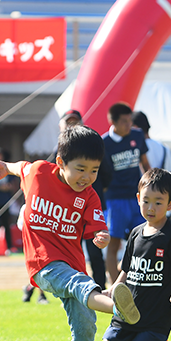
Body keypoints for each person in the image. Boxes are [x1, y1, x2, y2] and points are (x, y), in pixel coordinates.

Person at [0, 125, 141, 341]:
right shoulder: (39, 173)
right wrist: (3, 168)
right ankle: (116, 305)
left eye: (94, 171)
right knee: (80, 285)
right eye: (81, 169)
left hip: (73, 267)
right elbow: (20, 167)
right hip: (43, 266)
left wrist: (101, 238)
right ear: (60, 162)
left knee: (85, 325)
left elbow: (99, 229)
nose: (87, 177)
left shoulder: (90, 197)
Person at [96, 169, 171, 341]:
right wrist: (114, 289)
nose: (150, 207)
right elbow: (126, 269)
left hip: (156, 312)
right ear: (138, 199)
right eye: (146, 201)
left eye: (158, 202)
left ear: (170, 204)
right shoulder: (136, 234)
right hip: (128, 306)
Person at [45, 109, 110, 291]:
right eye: (69, 122)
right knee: (57, 253)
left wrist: (89, 192)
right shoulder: (60, 153)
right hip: (64, 212)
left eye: (76, 122)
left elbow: (107, 174)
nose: (72, 125)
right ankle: (61, 290)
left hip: (88, 209)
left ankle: (99, 288)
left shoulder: (94, 148)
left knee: (95, 253)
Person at [102, 103, 151, 286]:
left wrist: (153, 184)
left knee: (142, 240)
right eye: (124, 121)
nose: (128, 125)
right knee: (114, 244)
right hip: (115, 200)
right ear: (112, 122)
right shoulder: (104, 143)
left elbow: (145, 164)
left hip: (137, 198)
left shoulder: (137, 135)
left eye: (130, 120)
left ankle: (136, 282)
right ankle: (116, 287)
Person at [17, 203, 49, 304]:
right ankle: (41, 295)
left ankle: (29, 288)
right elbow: (20, 224)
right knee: (39, 268)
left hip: (45, 241)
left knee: (42, 269)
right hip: (32, 242)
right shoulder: (26, 207)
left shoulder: (47, 205)